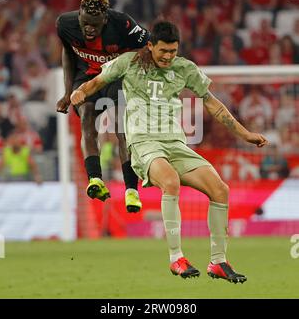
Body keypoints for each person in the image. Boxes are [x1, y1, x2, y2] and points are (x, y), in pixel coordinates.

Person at [70, 21, 268, 282]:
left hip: (176, 144)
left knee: (220, 190)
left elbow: (213, 104)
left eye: (173, 51)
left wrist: (245, 134)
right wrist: (80, 92)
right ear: (150, 45)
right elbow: (97, 81)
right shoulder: (129, 62)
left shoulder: (185, 69)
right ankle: (176, 258)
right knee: (171, 182)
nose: (168, 56)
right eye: (163, 50)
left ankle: (218, 262)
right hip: (143, 143)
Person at [56, 0, 149, 213]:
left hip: (115, 78)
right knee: (87, 118)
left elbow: (149, 44)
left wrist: (139, 76)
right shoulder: (65, 24)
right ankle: (95, 180)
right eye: (85, 23)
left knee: (121, 127)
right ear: (78, 15)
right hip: (85, 78)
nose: (89, 28)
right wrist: (68, 92)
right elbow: (68, 53)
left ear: (105, 19)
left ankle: (131, 190)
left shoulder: (124, 24)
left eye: (95, 25)